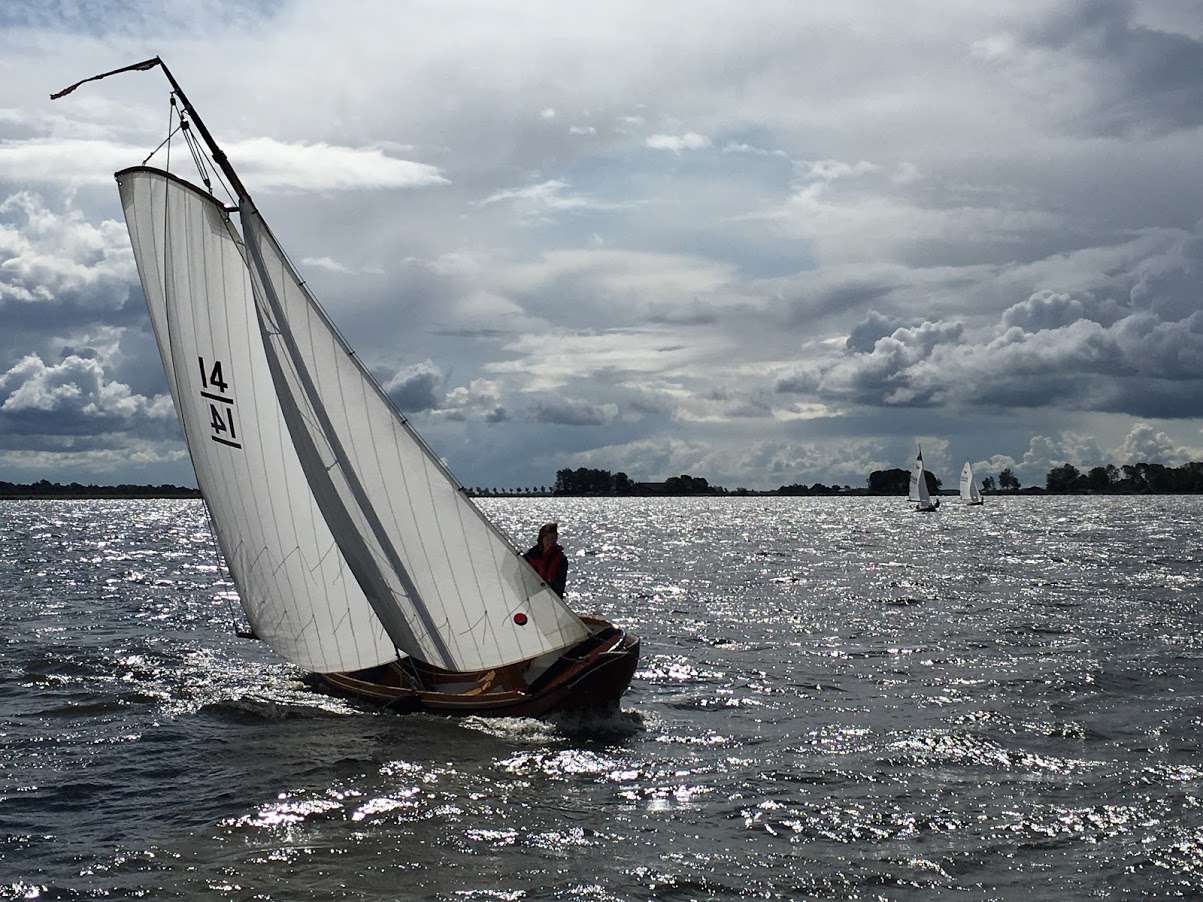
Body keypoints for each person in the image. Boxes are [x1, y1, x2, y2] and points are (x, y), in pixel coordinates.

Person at [524, 521, 568, 597]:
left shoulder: (561, 559)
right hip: (530, 594)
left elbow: (559, 586)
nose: (551, 542)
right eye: (548, 538)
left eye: (553, 538)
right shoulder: (530, 555)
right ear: (542, 539)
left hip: (550, 597)